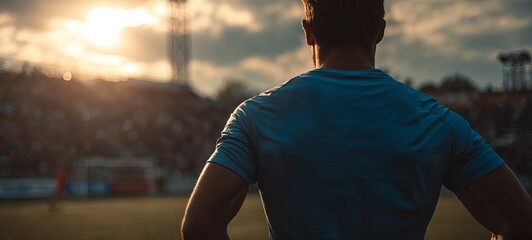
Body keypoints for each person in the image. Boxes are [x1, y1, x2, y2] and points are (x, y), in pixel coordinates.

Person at [181, 0, 532, 239]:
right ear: (379, 31)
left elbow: (199, 224)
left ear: (308, 31)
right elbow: (520, 220)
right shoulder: (439, 122)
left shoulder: (255, 116)